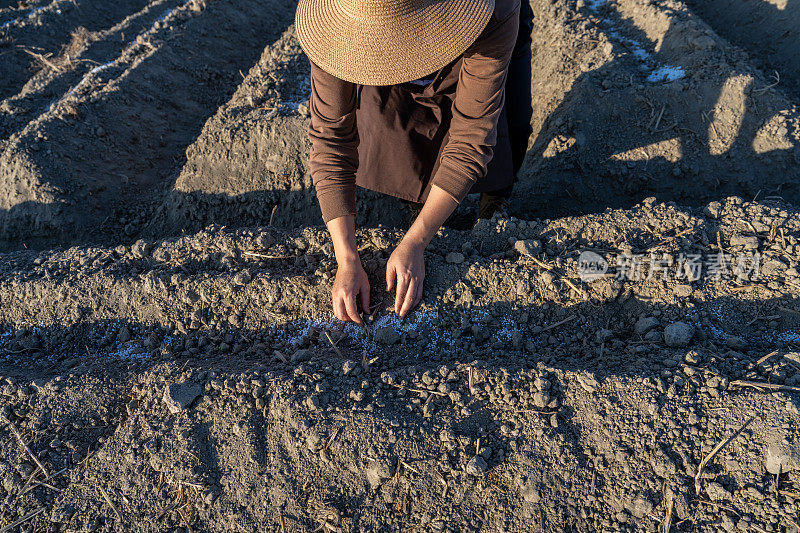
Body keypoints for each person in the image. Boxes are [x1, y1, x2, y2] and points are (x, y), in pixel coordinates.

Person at [295, 0, 533, 325]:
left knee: (511, 119)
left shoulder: (491, 11)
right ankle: (420, 201)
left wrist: (416, 241)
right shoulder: (334, 29)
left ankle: (495, 196)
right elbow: (331, 138)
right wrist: (346, 257)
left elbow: (472, 136)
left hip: (478, 28)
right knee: (393, 121)